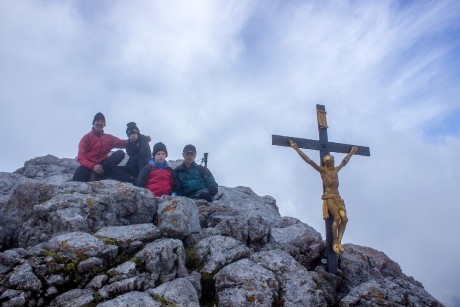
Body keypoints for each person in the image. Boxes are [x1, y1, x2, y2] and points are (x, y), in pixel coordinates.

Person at [288, 140, 358, 255]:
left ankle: (339, 241)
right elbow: (309, 161)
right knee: (336, 218)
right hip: (329, 197)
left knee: (344, 219)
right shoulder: (322, 171)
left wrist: (352, 152)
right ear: (326, 163)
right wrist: (296, 148)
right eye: (330, 162)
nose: (332, 163)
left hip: (338, 197)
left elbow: (344, 162)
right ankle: (335, 243)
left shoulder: (336, 170)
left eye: (332, 161)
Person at [73, 112, 128, 182]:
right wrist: (93, 166)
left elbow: (123, 143)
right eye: (98, 121)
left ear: (104, 125)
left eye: (102, 121)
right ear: (93, 123)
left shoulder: (108, 138)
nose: (100, 123)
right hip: (89, 165)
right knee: (79, 172)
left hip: (103, 165)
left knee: (120, 153)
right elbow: (81, 157)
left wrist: (140, 138)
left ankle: (97, 176)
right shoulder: (86, 138)